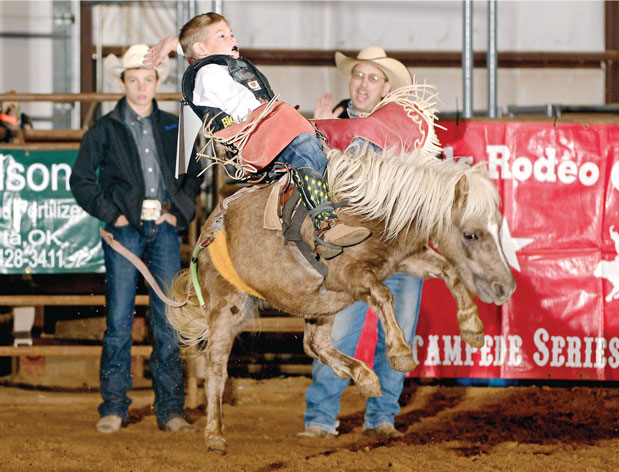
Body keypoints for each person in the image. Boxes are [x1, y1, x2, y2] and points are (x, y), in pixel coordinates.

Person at [145, 13, 370, 259]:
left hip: (264, 133)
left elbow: (200, 48)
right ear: (201, 49)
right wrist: (276, 116)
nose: (232, 38)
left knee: (322, 139)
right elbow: (241, 107)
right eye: (223, 36)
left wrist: (174, 44)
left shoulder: (217, 67)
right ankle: (326, 223)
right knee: (306, 143)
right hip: (251, 141)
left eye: (231, 34)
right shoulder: (209, 74)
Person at [70, 44, 202, 434]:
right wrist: (113, 214)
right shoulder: (105, 129)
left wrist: (177, 212)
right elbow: (81, 179)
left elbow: (194, 175)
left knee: (166, 319)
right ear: (123, 83)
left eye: (148, 79)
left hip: (163, 228)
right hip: (125, 230)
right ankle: (113, 406)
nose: (142, 87)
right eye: (134, 80)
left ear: (157, 82)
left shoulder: (175, 127)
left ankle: (170, 409)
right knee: (118, 319)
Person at [299, 47, 424, 440]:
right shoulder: (329, 124)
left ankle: (381, 416)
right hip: (348, 253)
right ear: (350, 80)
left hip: (397, 250)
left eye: (373, 77)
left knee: (398, 336)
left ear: (385, 87)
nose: (363, 84)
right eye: (359, 75)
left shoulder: (404, 131)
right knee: (338, 335)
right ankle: (321, 419)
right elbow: (309, 183)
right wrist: (317, 133)